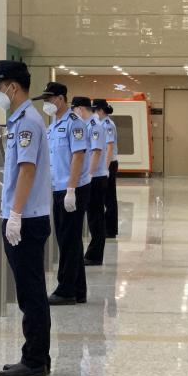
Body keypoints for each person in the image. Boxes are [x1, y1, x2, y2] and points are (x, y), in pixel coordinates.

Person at [0, 60, 52, 376]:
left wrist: (16, 214)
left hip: (26, 219)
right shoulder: (22, 120)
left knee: (31, 292)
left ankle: (35, 360)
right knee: (29, 290)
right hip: (25, 216)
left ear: (13, 87)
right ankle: (35, 355)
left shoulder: (27, 123)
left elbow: (26, 170)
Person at [34, 85, 90, 306]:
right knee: (69, 238)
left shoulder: (75, 123)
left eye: (48, 99)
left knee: (68, 239)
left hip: (72, 189)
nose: (46, 104)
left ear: (60, 99)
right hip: (58, 188)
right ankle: (78, 289)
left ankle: (66, 290)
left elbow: (78, 156)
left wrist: (71, 190)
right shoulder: (53, 126)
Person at [84, 99, 109, 265]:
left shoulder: (95, 126)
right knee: (93, 216)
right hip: (93, 177)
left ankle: (95, 255)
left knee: (96, 217)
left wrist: (89, 175)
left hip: (96, 177)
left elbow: (96, 152)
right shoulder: (88, 125)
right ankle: (93, 253)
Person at [97, 100, 119, 238]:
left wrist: (105, 169)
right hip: (106, 163)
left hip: (109, 163)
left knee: (109, 197)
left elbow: (109, 148)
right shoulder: (101, 123)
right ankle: (107, 227)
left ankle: (110, 230)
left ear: (100, 110)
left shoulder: (107, 125)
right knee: (105, 197)